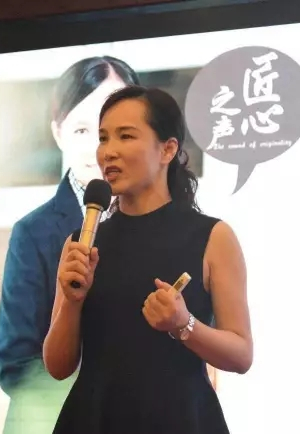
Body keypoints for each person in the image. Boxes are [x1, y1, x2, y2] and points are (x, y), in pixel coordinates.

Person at [43, 86, 253, 433]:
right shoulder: (83, 242)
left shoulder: (213, 237)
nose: (108, 151)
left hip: (180, 418)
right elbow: (57, 366)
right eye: (103, 138)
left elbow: (241, 354)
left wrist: (183, 324)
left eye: (125, 136)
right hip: (94, 418)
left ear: (167, 149)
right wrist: (72, 301)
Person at [0, 56, 139, 434]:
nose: (100, 147)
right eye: (82, 130)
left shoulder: (173, 225)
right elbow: (15, 364)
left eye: (115, 130)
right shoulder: (32, 232)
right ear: (58, 133)